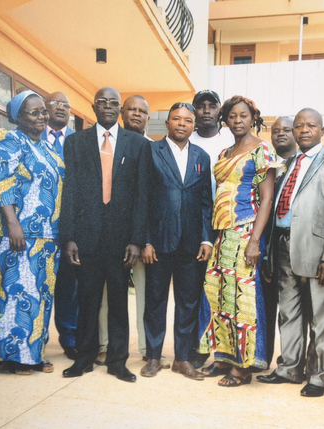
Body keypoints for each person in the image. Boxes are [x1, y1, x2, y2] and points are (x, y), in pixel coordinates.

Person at [258, 108, 324, 398]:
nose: (303, 130)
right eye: (298, 126)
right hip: (283, 245)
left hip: (318, 252)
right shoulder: (288, 163)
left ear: (322, 130)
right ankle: (289, 368)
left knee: (322, 316)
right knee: (288, 312)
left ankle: (320, 376)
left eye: (310, 125)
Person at [60, 86, 150, 383]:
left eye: (114, 103)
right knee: (87, 300)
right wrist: (69, 237)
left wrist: (137, 240)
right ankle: (84, 358)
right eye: (103, 102)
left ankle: (117, 361)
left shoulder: (137, 143)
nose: (108, 107)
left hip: (121, 241)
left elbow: (141, 197)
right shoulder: (76, 142)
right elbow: (69, 191)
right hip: (86, 238)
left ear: (120, 109)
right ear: (94, 106)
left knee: (119, 303)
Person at [197, 96, 276, 387]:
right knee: (219, 296)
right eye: (232, 116)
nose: (238, 120)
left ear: (253, 118)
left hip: (246, 232)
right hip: (222, 234)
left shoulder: (262, 150)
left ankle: (242, 367)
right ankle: (223, 357)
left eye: (243, 115)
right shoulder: (224, 152)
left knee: (242, 300)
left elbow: (267, 198)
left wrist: (255, 240)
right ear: (225, 120)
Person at [0, 90, 63, 375]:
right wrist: (12, 223)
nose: (42, 116)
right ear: (18, 116)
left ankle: (34, 354)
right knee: (17, 295)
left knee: (41, 296)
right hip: (16, 234)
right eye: (34, 112)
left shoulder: (47, 148)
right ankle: (13, 357)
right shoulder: (8, 140)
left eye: (44, 111)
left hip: (45, 236)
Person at [140, 103, 214, 381]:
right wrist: (145, 240)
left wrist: (206, 238)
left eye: (187, 120)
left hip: (191, 244)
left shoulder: (202, 156)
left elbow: (206, 200)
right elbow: (142, 198)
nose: (182, 124)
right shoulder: (150, 152)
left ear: (194, 125)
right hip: (158, 243)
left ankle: (182, 358)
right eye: (176, 119)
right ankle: (154, 357)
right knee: (155, 301)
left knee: (188, 302)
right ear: (167, 123)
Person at [95, 95, 157, 367]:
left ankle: (146, 347)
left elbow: (153, 197)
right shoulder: (105, 144)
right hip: (109, 233)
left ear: (148, 117)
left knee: (145, 292)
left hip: (142, 236)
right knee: (108, 292)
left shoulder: (155, 149)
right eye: (131, 109)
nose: (136, 114)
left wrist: (145, 238)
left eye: (142, 111)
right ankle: (104, 345)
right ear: (122, 113)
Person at [188, 89, 234, 368]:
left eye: (211, 105)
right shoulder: (185, 139)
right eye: (200, 106)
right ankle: (198, 346)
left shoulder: (231, 141)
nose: (206, 110)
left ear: (219, 111)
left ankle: (224, 351)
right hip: (193, 225)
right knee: (196, 291)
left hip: (226, 224)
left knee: (223, 291)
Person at [40, 91, 78, 361]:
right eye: (56, 104)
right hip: (38, 227)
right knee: (38, 285)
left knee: (68, 285)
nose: (62, 108)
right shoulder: (32, 137)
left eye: (66, 105)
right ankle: (36, 338)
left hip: (68, 226)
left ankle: (70, 337)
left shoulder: (78, 141)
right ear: (44, 108)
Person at [260, 116, 298, 367]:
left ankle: (292, 361)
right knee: (265, 305)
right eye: (275, 131)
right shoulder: (266, 165)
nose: (280, 134)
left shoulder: (303, 165)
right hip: (265, 246)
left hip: (293, 246)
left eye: (286, 129)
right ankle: (261, 358)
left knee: (291, 310)